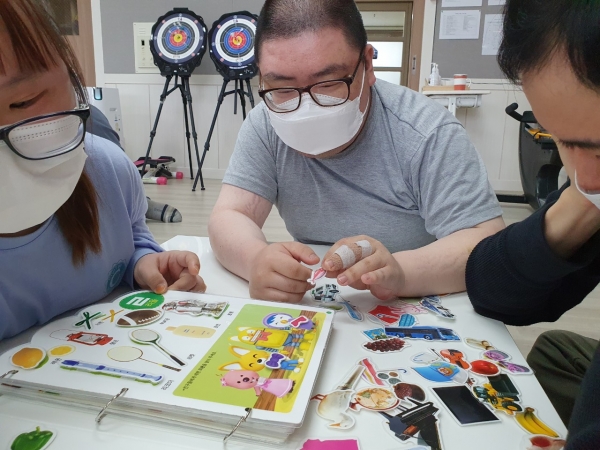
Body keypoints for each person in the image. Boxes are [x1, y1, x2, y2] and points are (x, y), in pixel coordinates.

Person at [209, 0, 505, 303]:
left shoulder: (426, 132)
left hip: (413, 299)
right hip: (317, 301)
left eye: (328, 83)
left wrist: (401, 272)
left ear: (367, 64)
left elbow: (485, 240)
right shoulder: (264, 124)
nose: (306, 109)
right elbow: (231, 214)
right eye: (282, 88)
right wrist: (255, 259)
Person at [0, 0, 205, 340]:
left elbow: (130, 240)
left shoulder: (109, 170)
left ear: (71, 75)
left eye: (23, 101)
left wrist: (141, 263)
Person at [465, 0, 600, 447]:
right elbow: (493, 292)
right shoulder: (588, 185)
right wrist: (582, 206)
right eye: (564, 141)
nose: (584, 177)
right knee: (555, 352)